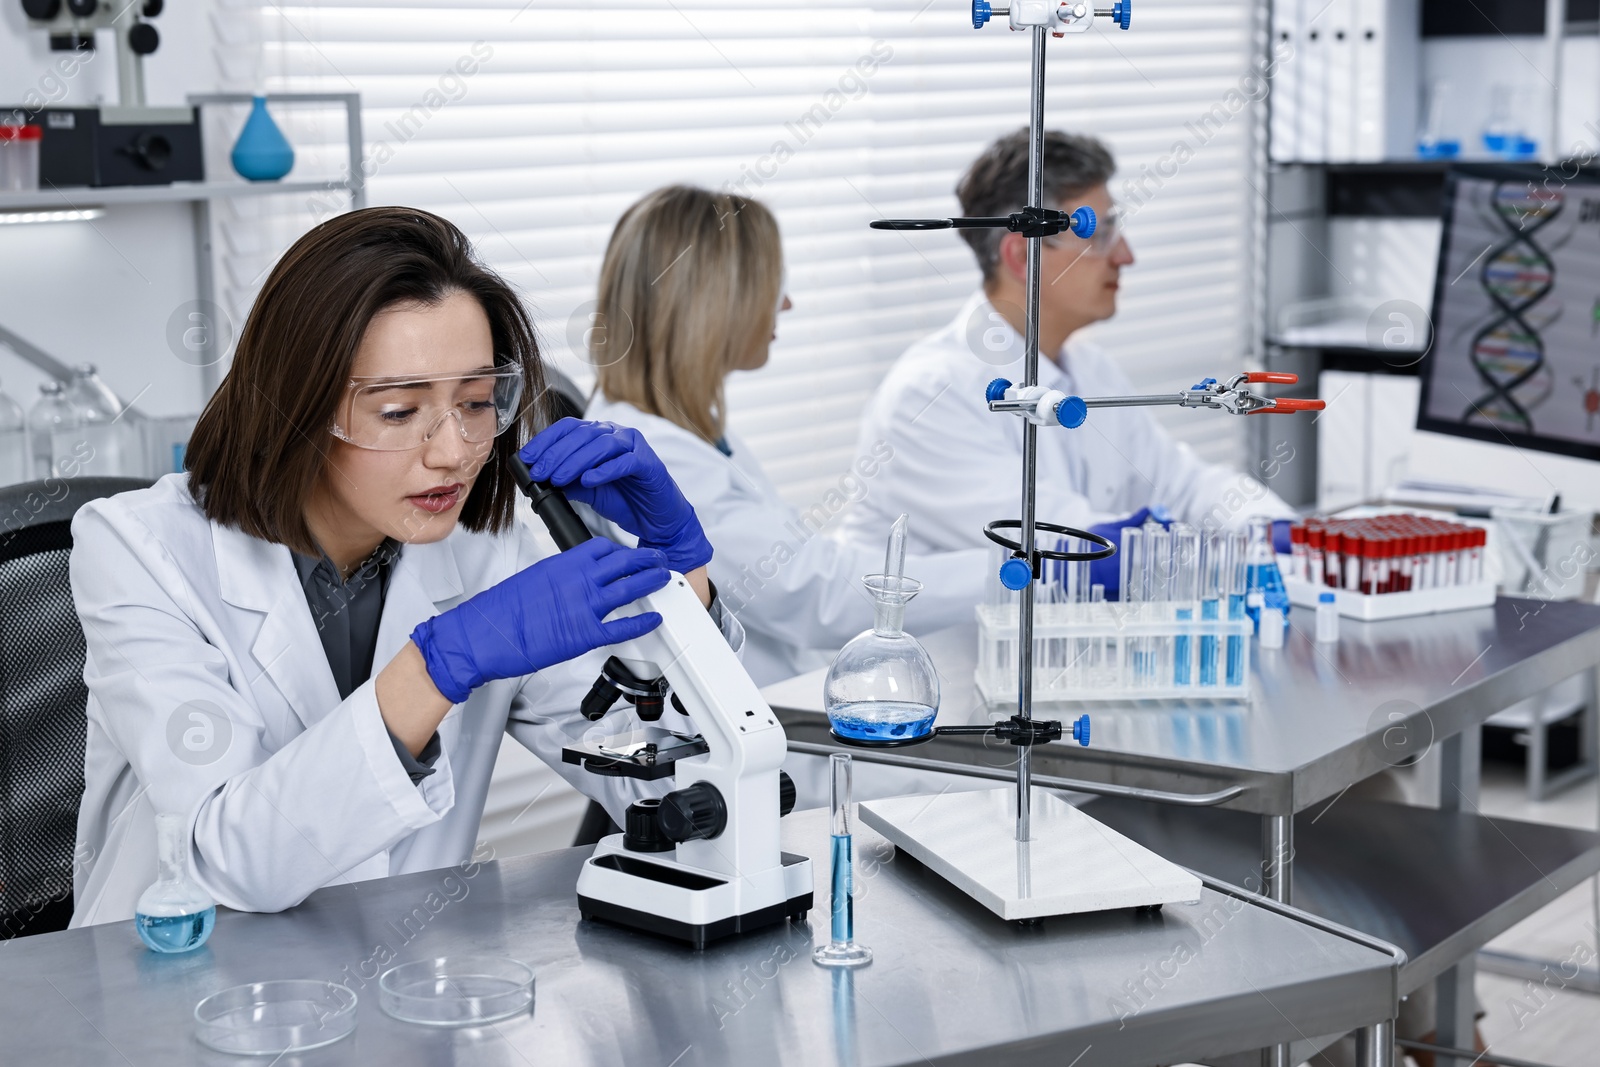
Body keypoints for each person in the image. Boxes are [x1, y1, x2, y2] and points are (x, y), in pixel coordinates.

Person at [69, 208, 738, 925]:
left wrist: (683, 589)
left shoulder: (492, 546)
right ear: (296, 405)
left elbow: (667, 797)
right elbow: (235, 860)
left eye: (477, 402)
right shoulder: (138, 550)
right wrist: (437, 666)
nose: (453, 450)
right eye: (397, 411)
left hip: (405, 987)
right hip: (175, 992)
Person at [843, 129, 1294, 588]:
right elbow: (1077, 547)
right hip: (940, 656)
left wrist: (1279, 531)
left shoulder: (1090, 368)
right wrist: (1232, 555)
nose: (1126, 256)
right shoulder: (929, 395)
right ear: (1023, 254)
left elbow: (1183, 484)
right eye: (1098, 236)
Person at [583, 184, 989, 686]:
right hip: (763, 733)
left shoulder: (686, 429)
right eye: (772, 285)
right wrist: (1005, 577)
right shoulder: (658, 457)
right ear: (715, 300)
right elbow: (811, 595)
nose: (788, 303)